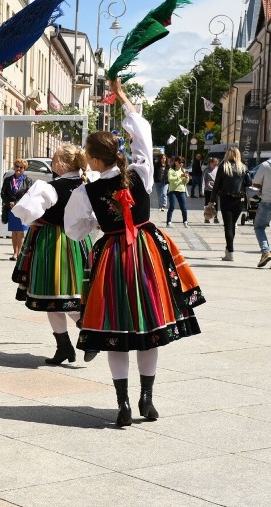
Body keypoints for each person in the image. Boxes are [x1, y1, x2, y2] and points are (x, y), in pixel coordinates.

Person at [65, 78, 204, 428]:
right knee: (150, 326)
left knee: (116, 330)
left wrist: (98, 225)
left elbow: (74, 229)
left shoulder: (86, 191)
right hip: (147, 251)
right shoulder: (141, 171)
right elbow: (143, 134)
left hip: (113, 254)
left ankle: (123, 403)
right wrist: (125, 100)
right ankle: (147, 398)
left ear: (95, 160)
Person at [10, 144, 95, 365]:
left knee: (57, 296)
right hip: (80, 242)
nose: (52, 160)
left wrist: (38, 219)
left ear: (63, 164)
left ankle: (88, 332)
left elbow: (26, 214)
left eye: (55, 158)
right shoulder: (86, 184)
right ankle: (64, 346)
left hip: (54, 243)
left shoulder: (49, 188)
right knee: (60, 299)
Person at [213, 147, 252, 262]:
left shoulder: (223, 166)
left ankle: (230, 252)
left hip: (226, 199)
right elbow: (248, 183)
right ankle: (228, 249)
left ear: (227, 154)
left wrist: (211, 201)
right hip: (239, 200)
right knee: (232, 225)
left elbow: (216, 186)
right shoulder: (243, 167)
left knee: (228, 226)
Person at [1, 158, 32, 260]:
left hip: (21, 209)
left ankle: (19, 254)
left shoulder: (28, 180)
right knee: (14, 232)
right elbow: (3, 193)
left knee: (21, 232)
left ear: (24, 169)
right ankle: (15, 253)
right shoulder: (8, 180)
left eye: (21, 167)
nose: (19, 169)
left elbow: (29, 195)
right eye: (17, 166)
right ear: (14, 167)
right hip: (11, 209)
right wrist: (8, 202)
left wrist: (18, 203)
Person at [251, 159, 271, 267]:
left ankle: (265, 251)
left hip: (267, 201)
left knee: (259, 227)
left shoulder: (265, 165)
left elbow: (256, 183)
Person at [166, 156, 189, 227]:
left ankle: (185, 221)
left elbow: (186, 182)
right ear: (175, 162)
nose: (181, 164)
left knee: (184, 207)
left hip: (181, 190)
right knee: (172, 206)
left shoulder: (184, 170)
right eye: (179, 162)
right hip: (173, 190)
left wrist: (186, 178)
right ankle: (168, 222)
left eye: (182, 162)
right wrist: (180, 176)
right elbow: (170, 179)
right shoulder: (171, 170)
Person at [203, 157, 220, 224]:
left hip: (215, 189)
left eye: (216, 164)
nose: (215, 165)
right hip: (208, 189)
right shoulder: (206, 170)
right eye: (214, 164)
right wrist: (202, 189)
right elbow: (203, 180)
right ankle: (206, 218)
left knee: (216, 204)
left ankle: (215, 217)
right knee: (207, 204)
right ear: (210, 163)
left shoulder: (218, 170)